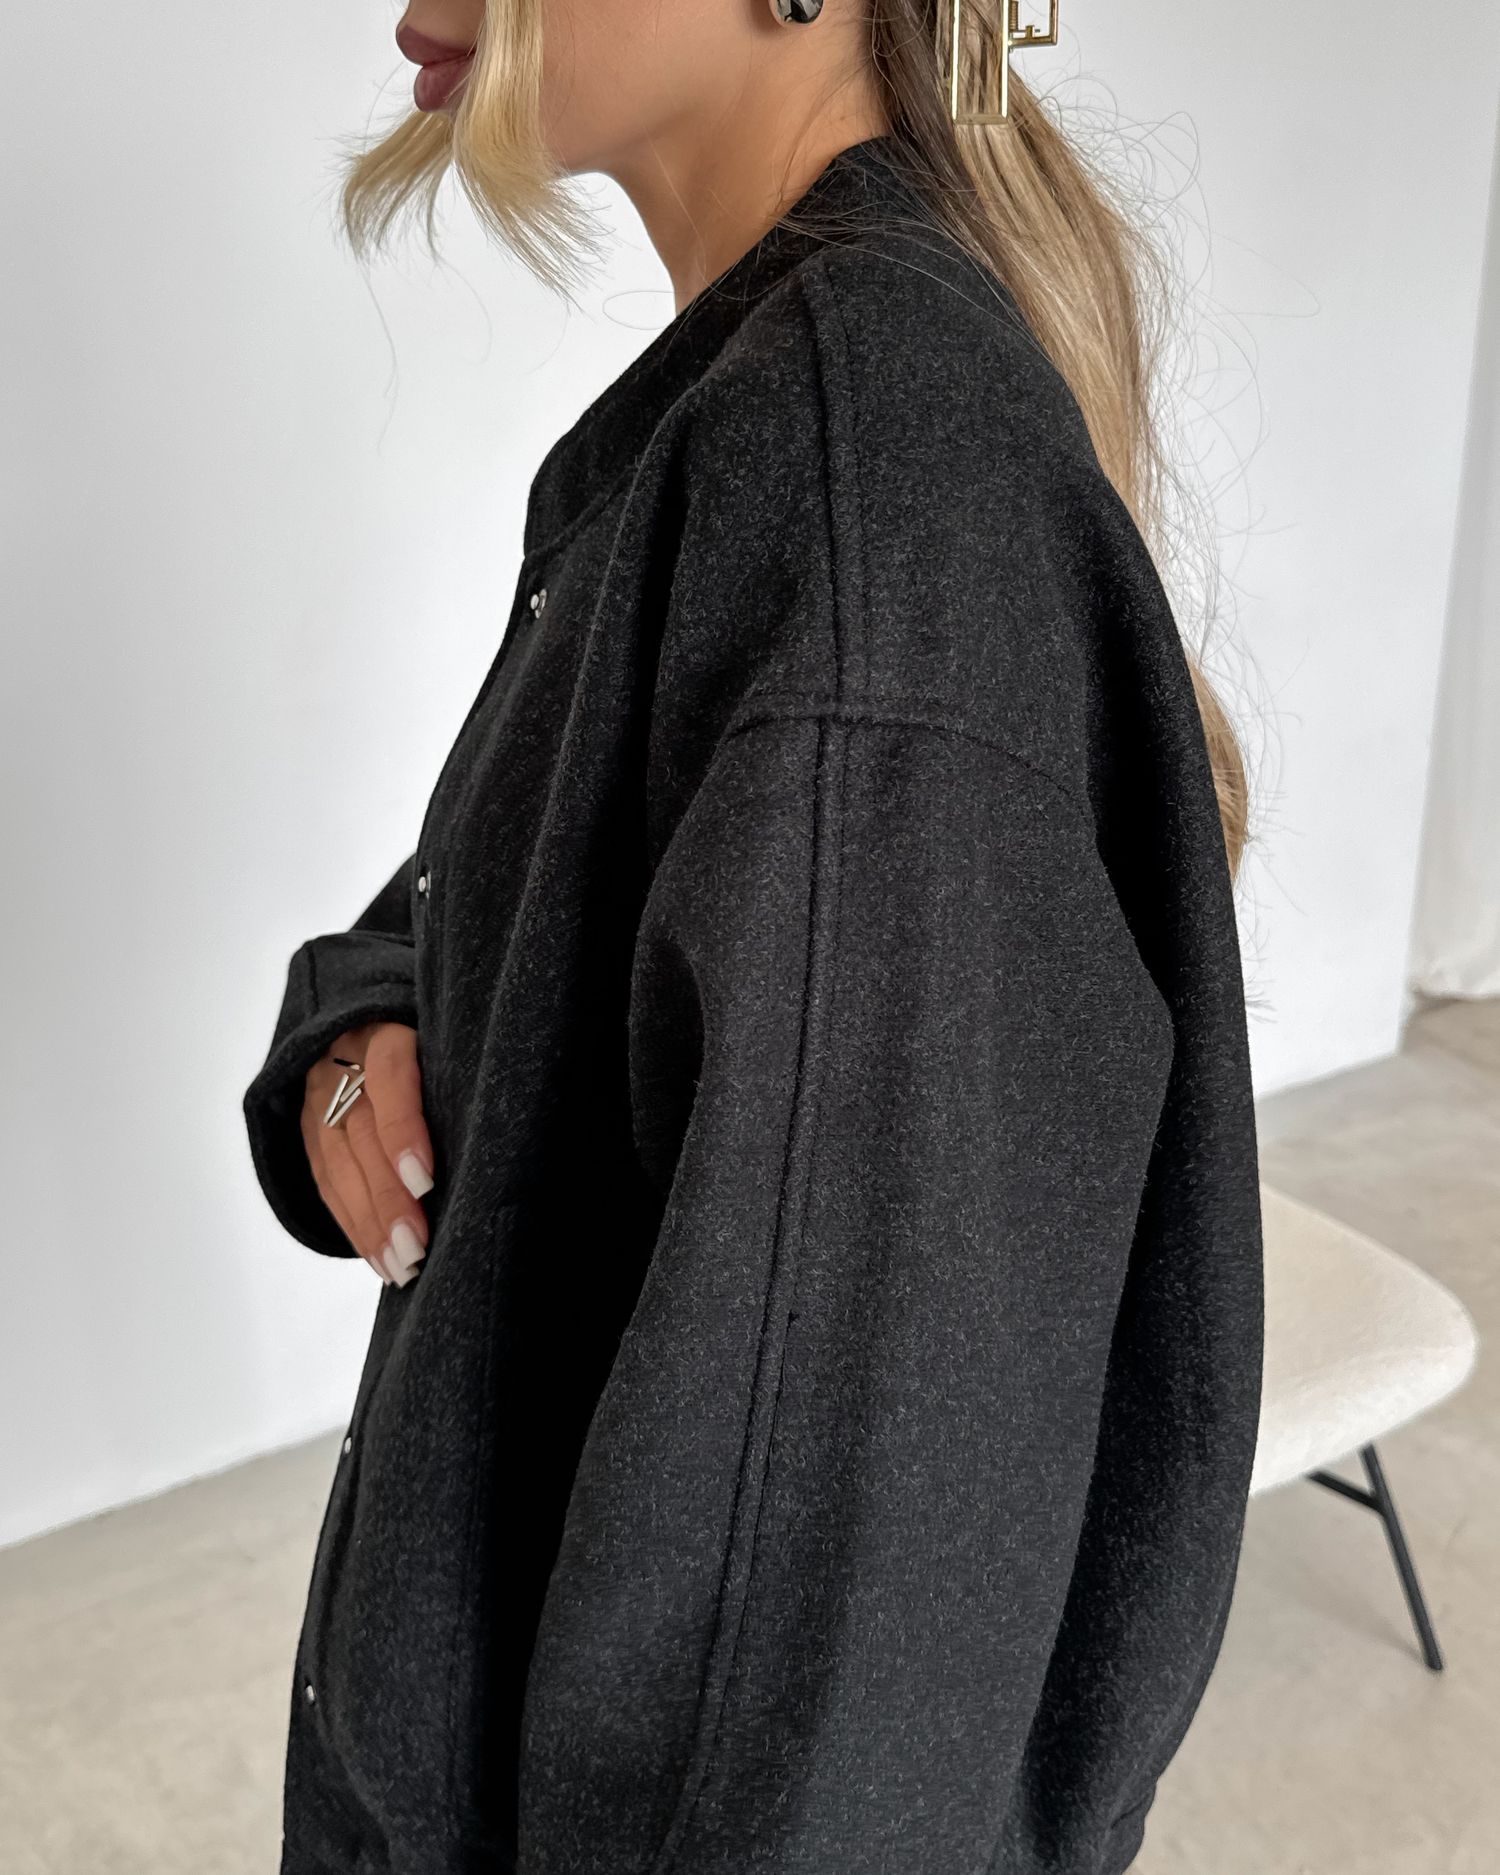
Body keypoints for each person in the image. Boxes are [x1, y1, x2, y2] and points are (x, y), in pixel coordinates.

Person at [241, 0, 1264, 1868]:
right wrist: (370, 1013)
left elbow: (842, 1671)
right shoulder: (785, 420)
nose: (408, 7)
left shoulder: (864, 472)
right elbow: (547, 881)